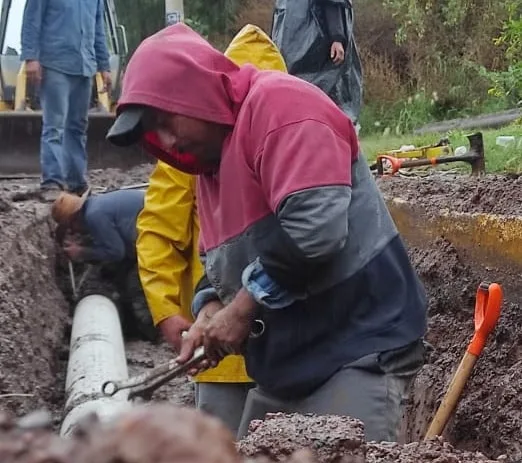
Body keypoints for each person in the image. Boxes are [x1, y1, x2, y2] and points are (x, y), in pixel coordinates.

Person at [106, 23, 428, 442]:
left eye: (166, 120)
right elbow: (219, 262)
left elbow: (316, 230)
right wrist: (208, 308)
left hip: (356, 347)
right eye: (153, 133)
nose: (167, 140)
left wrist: (240, 311)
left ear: (194, 92)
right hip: (288, 367)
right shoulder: (209, 167)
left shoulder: (281, 108)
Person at [135, 25, 288, 437]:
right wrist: (168, 312)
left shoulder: (285, 137)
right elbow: (159, 231)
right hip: (218, 347)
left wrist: (168, 308)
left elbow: (157, 232)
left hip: (282, 348)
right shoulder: (191, 145)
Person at [21, 0, 112, 202]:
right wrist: (31, 57)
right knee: (55, 126)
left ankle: (76, 182)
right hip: (55, 63)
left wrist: (103, 65)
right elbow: (32, 20)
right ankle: (52, 182)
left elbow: (98, 29)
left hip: (84, 66)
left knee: (78, 126)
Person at [50, 189, 156, 340]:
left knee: (135, 285)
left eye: (71, 228)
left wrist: (81, 252)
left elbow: (116, 252)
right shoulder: (96, 207)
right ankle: (132, 329)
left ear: (74, 219)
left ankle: (153, 333)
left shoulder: (94, 216)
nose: (74, 232)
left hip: (157, 237)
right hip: (148, 233)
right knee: (114, 272)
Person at [271, 0, 363, 124]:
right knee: (327, 95)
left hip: (290, 48)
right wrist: (337, 37)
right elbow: (331, 3)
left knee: (300, 98)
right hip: (319, 47)